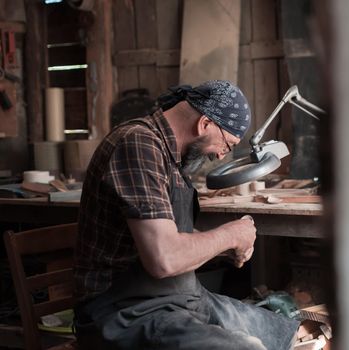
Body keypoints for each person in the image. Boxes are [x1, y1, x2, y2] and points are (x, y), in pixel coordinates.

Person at [73, 80, 300, 350]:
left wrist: (225, 248)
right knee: (244, 348)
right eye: (227, 145)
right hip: (124, 312)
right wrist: (230, 235)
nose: (220, 155)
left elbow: (166, 233)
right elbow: (164, 259)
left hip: (177, 298)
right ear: (204, 123)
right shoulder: (137, 144)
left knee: (282, 330)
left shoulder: (170, 155)